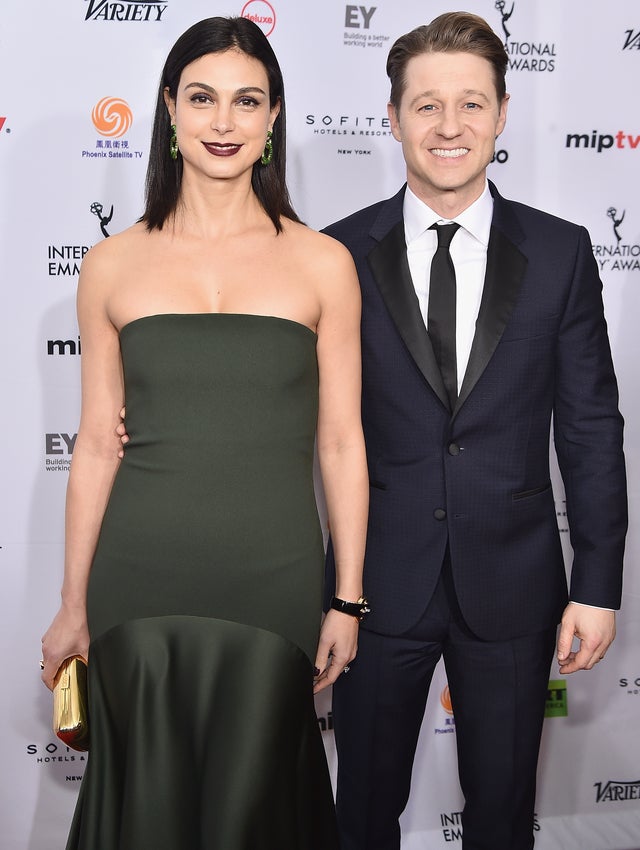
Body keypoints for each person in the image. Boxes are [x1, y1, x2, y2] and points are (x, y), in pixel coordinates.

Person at [40, 16, 368, 850]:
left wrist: (347, 598)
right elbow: (97, 442)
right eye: (203, 99)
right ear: (170, 111)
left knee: (250, 817)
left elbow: (341, 442)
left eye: (246, 101)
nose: (223, 122)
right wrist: (73, 603)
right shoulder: (111, 264)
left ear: (273, 120)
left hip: (275, 584)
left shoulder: (323, 262)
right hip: (138, 584)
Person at [322, 12, 627, 850]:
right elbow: (294, 406)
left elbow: (592, 424)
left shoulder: (561, 253)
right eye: (425, 106)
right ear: (393, 119)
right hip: (375, 585)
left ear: (500, 115)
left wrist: (597, 582)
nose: (448, 127)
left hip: (518, 585)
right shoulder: (335, 254)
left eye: (470, 104)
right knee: (361, 814)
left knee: (502, 816)